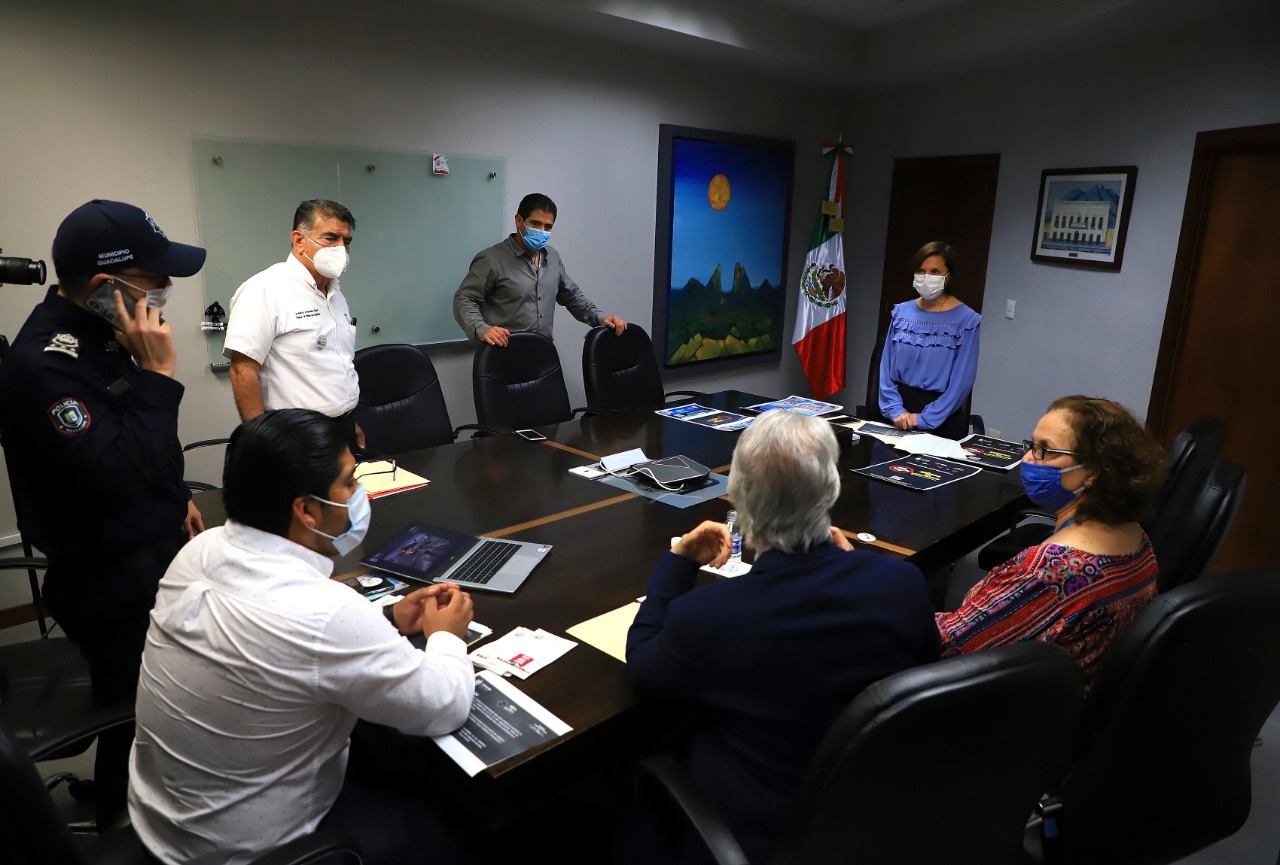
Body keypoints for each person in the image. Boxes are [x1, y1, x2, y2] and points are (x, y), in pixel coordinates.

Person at [128, 409, 475, 865]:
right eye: (349, 482)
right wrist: (447, 636)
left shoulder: (200, 551)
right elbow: (444, 706)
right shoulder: (326, 612)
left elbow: (281, 634)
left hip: (162, 820)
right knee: (462, 823)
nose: (359, 493)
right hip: (249, 850)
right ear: (307, 510)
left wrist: (389, 615)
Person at [622, 410, 941, 865]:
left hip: (760, 839)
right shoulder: (903, 585)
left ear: (739, 499)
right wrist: (861, 568)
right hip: (872, 821)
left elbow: (643, 669)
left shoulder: (709, 616)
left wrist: (678, 562)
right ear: (830, 490)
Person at [0, 198, 206, 820]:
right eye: (153, 278)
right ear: (102, 284)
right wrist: (160, 375)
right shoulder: (45, 365)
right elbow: (114, 473)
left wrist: (177, 493)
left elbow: (138, 436)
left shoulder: (106, 333)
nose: (165, 289)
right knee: (146, 710)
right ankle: (131, 821)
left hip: (148, 549)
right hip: (110, 578)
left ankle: (123, 801)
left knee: (145, 707)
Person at [936, 395, 1166, 684]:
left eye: (1044, 450)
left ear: (1094, 471)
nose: (1027, 459)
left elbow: (948, 647)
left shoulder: (1048, 572)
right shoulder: (1137, 536)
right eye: (1032, 445)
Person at [224, 199, 364, 448]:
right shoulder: (265, 289)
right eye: (330, 238)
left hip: (342, 426)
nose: (341, 249)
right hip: (293, 434)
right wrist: (260, 441)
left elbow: (335, 364)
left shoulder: (336, 294)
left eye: (347, 241)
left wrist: (349, 421)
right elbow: (242, 370)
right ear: (299, 240)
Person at [452, 192, 627, 346]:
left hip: (543, 353)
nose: (541, 231)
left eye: (547, 227)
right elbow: (464, 299)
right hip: (503, 353)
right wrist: (482, 329)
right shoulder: (491, 259)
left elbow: (572, 296)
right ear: (519, 221)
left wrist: (600, 318)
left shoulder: (553, 257)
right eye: (535, 224)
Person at [878, 240, 981, 440]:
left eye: (935, 272)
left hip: (941, 418)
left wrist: (924, 419)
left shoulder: (966, 320)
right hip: (896, 415)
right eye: (921, 271)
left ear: (948, 276)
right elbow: (885, 368)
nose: (927, 277)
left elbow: (962, 382)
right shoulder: (901, 312)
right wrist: (895, 410)